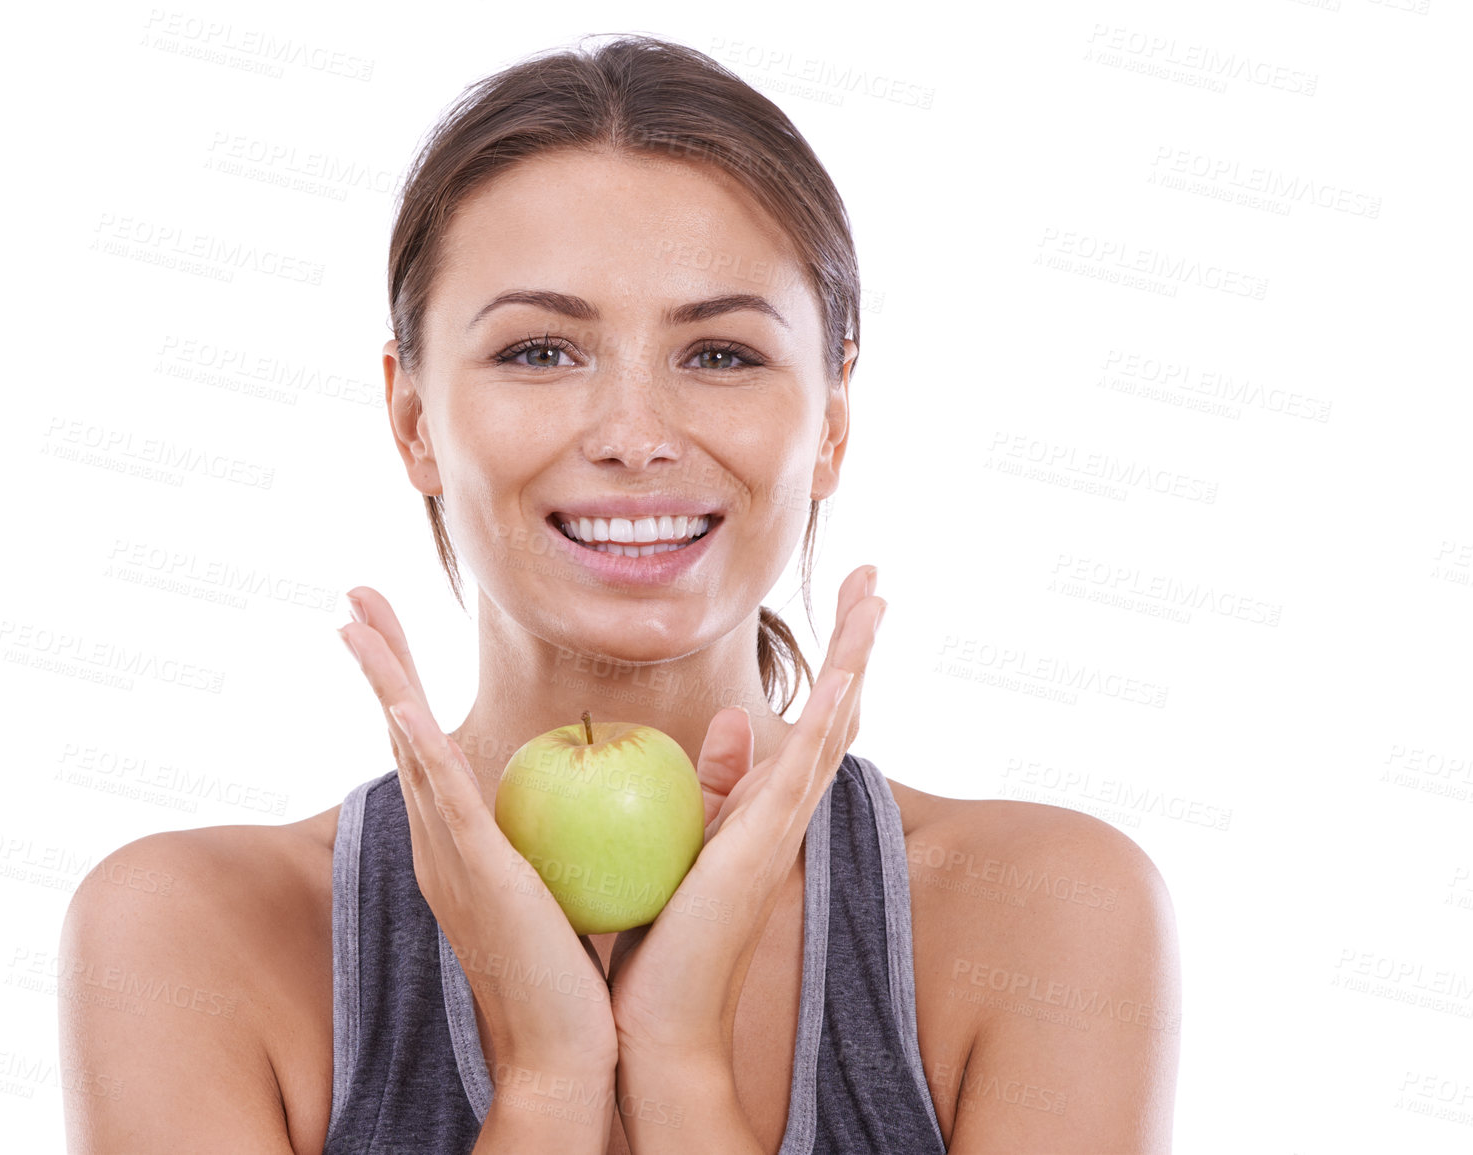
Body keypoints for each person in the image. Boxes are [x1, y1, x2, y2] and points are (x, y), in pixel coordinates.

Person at [58, 33, 1180, 1154]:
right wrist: (550, 1082)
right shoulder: (190, 935)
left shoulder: (1045, 916)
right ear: (412, 420)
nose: (636, 439)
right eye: (541, 352)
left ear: (832, 421)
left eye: (722, 355)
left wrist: (678, 1063)